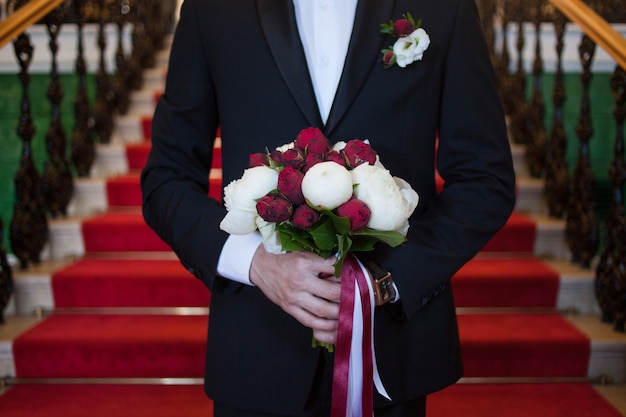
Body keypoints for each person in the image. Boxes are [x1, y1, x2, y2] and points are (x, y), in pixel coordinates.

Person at [140, 0, 516, 415]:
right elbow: (166, 179)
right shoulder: (210, 8)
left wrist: (388, 283)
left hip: (392, 352)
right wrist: (254, 263)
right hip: (256, 349)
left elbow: (486, 180)